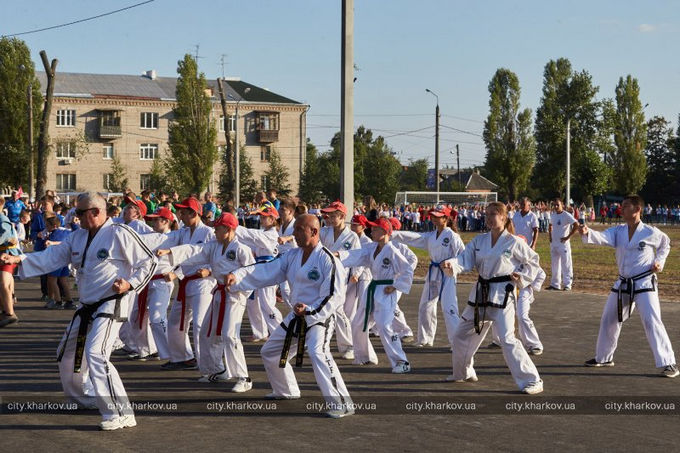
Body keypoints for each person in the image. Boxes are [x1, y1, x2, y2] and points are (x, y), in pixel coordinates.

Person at [1, 192, 158, 429]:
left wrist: (130, 283)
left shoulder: (119, 233)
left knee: (96, 353)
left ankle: (121, 411)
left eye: (79, 213)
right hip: (87, 306)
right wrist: (19, 260)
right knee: (67, 355)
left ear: (95, 212)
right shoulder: (78, 237)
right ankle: (82, 398)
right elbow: (54, 255)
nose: (75, 217)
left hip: (111, 302)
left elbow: (149, 262)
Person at [225, 214, 354, 418]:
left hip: (320, 318)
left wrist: (310, 311)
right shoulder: (292, 256)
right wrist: (238, 275)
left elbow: (334, 297)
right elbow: (268, 269)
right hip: (297, 317)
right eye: (294, 229)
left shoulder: (328, 260)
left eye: (299, 229)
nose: (294, 234)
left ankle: (342, 403)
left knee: (317, 352)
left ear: (313, 231)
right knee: (271, 351)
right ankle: (286, 390)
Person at [442, 202, 544, 394]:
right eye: (486, 214)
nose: (489, 218)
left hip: (502, 294)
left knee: (507, 339)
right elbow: (464, 260)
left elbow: (534, 262)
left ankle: (533, 380)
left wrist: (521, 277)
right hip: (480, 294)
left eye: (493, 214)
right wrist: (451, 265)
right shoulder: (479, 241)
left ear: (504, 217)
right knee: (460, 335)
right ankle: (463, 372)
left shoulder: (514, 242)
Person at [578, 195, 678, 377]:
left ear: (637, 209)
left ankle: (668, 362)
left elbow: (665, 244)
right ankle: (603, 357)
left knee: (651, 320)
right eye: (622, 206)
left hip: (644, 282)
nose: (621, 209)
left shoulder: (650, 232)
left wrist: (659, 262)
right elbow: (602, 236)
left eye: (625, 206)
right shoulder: (618, 231)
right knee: (609, 319)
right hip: (623, 282)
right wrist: (587, 232)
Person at [158, 212, 256, 391]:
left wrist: (239, 287)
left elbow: (252, 271)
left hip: (235, 296)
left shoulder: (242, 249)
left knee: (229, 334)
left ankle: (244, 377)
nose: (214, 231)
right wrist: (171, 251)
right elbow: (194, 250)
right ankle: (217, 369)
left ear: (228, 230)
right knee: (207, 332)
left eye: (217, 228)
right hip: (219, 293)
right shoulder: (214, 246)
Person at [337, 217, 414, 373]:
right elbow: (356, 254)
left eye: (375, 229)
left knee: (385, 326)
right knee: (358, 323)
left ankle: (402, 362)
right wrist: (338, 254)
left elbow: (407, 270)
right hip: (372, 288)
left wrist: (395, 286)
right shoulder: (371, 248)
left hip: (386, 290)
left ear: (385, 232)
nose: (371, 231)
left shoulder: (392, 250)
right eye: (371, 229)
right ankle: (365, 356)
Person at [391, 205, 464, 348]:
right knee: (426, 305)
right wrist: (392, 233)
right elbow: (413, 237)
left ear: (445, 218)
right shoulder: (431, 236)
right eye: (433, 216)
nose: (434, 218)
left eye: (438, 216)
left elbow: (463, 255)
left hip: (448, 274)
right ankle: (425, 338)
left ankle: (457, 343)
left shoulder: (452, 236)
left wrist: (452, 263)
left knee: (449, 307)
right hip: (434, 273)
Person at [162, 197, 217, 370]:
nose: (181, 215)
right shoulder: (183, 233)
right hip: (186, 282)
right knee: (174, 322)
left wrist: (209, 270)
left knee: (200, 324)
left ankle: (206, 365)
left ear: (194, 213)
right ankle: (183, 357)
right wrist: (176, 274)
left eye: (184, 212)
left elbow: (215, 255)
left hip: (204, 283)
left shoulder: (209, 232)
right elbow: (183, 259)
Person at [319, 201, 360, 360]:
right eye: (327, 214)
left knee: (337, 309)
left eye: (333, 215)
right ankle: (319, 341)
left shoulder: (352, 236)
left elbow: (357, 256)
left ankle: (348, 345)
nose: (328, 217)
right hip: (323, 275)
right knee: (321, 307)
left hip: (341, 277)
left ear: (342, 216)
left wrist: (355, 273)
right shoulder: (324, 232)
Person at [235, 205, 283, 340]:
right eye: (261, 217)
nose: (261, 219)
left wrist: (235, 227)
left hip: (268, 269)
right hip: (258, 268)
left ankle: (279, 333)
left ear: (273, 219)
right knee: (253, 302)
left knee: (267, 303)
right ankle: (260, 332)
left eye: (264, 217)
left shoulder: (271, 234)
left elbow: (252, 236)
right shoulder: (263, 233)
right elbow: (249, 240)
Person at [43, 215, 75, 309]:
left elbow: (59, 243)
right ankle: (69, 301)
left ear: (54, 226)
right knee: (63, 280)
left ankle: (58, 301)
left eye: (48, 226)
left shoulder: (55, 234)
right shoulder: (65, 231)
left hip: (56, 259)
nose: (46, 228)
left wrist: (51, 243)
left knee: (52, 280)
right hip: (64, 259)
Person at [547, 198, 578, 291]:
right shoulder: (553, 215)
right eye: (554, 205)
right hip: (554, 243)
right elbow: (550, 225)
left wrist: (568, 237)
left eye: (558, 205)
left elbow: (576, 225)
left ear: (562, 205)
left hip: (563, 244)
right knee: (555, 264)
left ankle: (568, 284)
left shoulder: (566, 215)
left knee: (566, 264)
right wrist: (550, 236)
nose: (556, 207)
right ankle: (555, 284)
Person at [0, 197, 20, 327]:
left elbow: (6, 236)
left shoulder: (2, 219)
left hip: (8, 256)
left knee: (3, 284)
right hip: (3, 255)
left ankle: (10, 313)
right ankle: (5, 310)